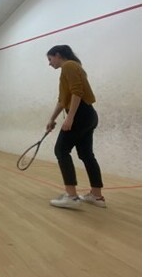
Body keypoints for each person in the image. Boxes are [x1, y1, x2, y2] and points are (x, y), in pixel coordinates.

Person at [45, 45, 106, 209]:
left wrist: (70, 118)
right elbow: (62, 99)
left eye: (50, 59)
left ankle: (71, 197)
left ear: (58, 55)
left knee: (61, 150)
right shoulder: (72, 68)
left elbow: (77, 92)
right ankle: (96, 196)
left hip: (80, 115)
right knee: (86, 154)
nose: (49, 63)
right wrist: (52, 119)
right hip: (88, 116)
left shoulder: (69, 66)